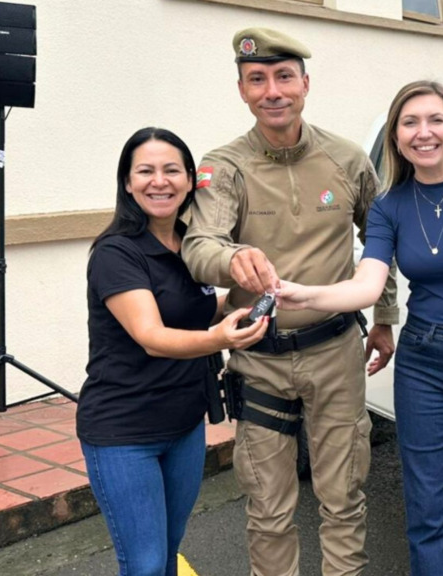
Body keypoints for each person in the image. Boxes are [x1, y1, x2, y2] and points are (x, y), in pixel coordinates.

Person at [277, 80, 443, 576]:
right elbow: (368, 284)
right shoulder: (390, 206)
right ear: (396, 138)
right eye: (410, 123)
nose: (424, 133)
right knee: (429, 512)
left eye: (435, 120)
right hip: (424, 363)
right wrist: (305, 294)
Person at [181, 28, 398, 576]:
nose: (272, 91)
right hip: (259, 360)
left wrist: (385, 317)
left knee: (343, 498)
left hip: (335, 353)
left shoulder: (347, 160)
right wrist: (231, 260)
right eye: (258, 80)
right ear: (242, 90)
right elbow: (199, 244)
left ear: (305, 84)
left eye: (283, 77)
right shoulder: (224, 165)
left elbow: (382, 242)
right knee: (268, 509)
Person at [78, 127, 268, 576]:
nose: (158, 181)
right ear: (127, 182)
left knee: (167, 551)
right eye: (145, 171)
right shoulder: (116, 253)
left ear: (189, 181)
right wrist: (222, 337)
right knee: (144, 564)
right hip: (124, 432)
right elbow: (152, 334)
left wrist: (253, 297)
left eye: (171, 170)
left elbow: (195, 307)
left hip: (183, 424)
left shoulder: (191, 244)